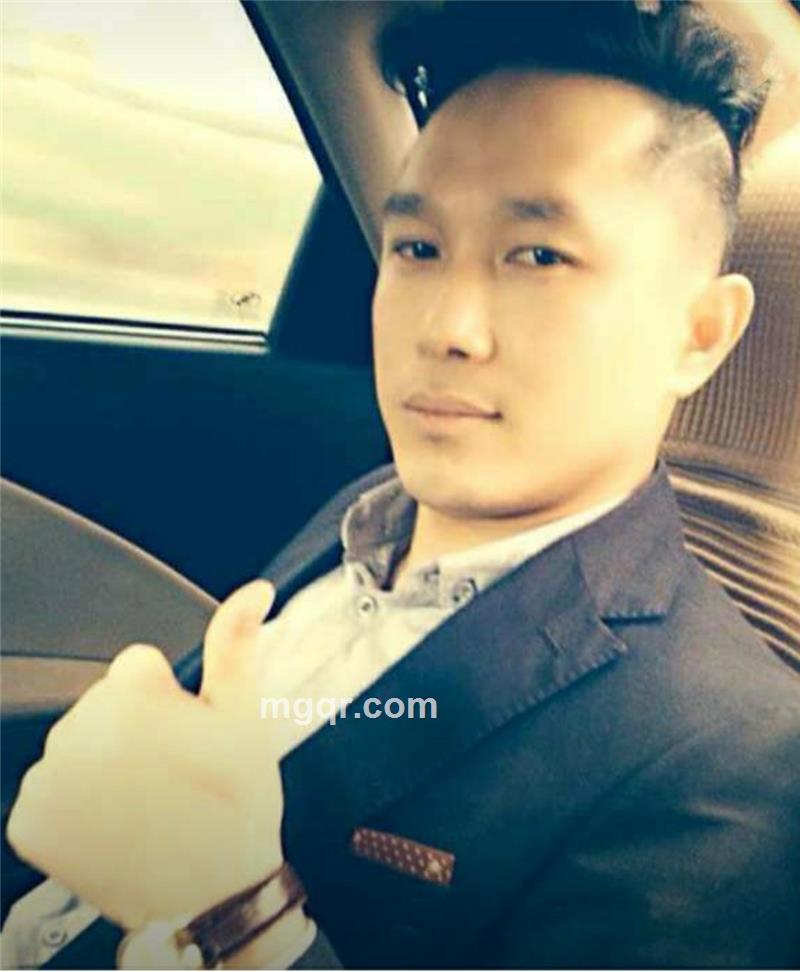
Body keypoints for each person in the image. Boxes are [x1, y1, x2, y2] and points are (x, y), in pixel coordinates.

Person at [3, 1, 799, 968]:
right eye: (418, 249)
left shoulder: (737, 765)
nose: (445, 328)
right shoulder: (371, 507)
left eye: (539, 256)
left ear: (698, 335)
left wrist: (228, 911)